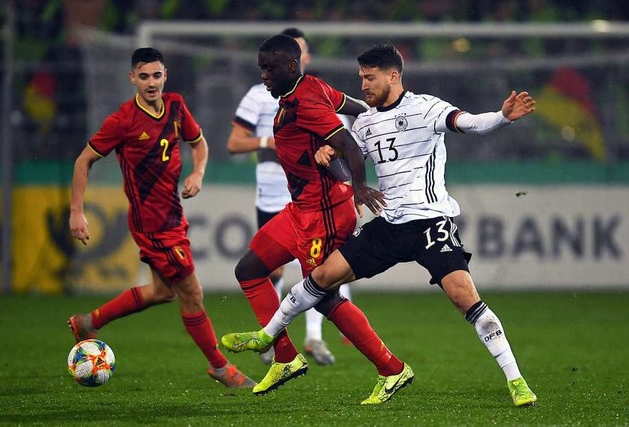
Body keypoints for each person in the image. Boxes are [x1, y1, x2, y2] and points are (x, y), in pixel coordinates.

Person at [222, 44, 538, 407]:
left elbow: (469, 123)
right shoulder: (366, 122)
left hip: (429, 221)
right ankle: (271, 338)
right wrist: (330, 159)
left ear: (393, 76)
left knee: (464, 297)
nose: (364, 85)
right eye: (361, 77)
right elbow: (351, 156)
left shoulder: (425, 107)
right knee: (323, 277)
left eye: (370, 78)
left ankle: (516, 381)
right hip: (388, 224)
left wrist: (502, 116)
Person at [221, 35, 414, 405]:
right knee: (248, 270)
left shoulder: (306, 100)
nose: (263, 74)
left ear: (290, 67)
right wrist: (376, 115)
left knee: (323, 297)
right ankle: (284, 358)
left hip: (324, 213)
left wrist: (358, 186)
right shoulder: (310, 88)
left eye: (269, 68)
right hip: (300, 209)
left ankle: (391, 368)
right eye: (260, 66)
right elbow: (356, 106)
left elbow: (348, 144)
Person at [67, 47, 255, 389]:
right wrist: (77, 212)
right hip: (152, 225)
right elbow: (83, 161)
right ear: (132, 79)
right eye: (143, 76)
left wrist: (198, 174)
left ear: (165, 75)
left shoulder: (176, 106)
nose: (151, 83)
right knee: (192, 293)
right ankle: (219, 366)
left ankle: (89, 321)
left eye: (156, 75)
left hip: (173, 216)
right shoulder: (122, 121)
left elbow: (199, 144)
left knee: (162, 292)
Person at [226, 27, 353, 366]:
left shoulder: (314, 94)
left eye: (304, 52)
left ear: (300, 60)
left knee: (323, 273)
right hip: (272, 196)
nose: (267, 72)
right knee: (275, 273)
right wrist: (270, 142)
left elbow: (345, 142)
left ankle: (313, 339)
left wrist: (351, 182)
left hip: (316, 201)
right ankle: (276, 343)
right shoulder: (259, 95)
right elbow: (234, 143)